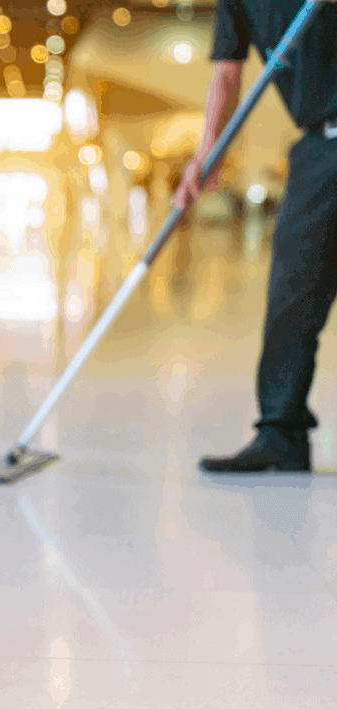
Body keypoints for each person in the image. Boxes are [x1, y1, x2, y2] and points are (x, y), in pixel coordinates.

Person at [179, 0, 337, 472]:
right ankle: (279, 432)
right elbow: (227, 74)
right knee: (293, 289)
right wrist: (207, 154)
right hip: (317, 144)